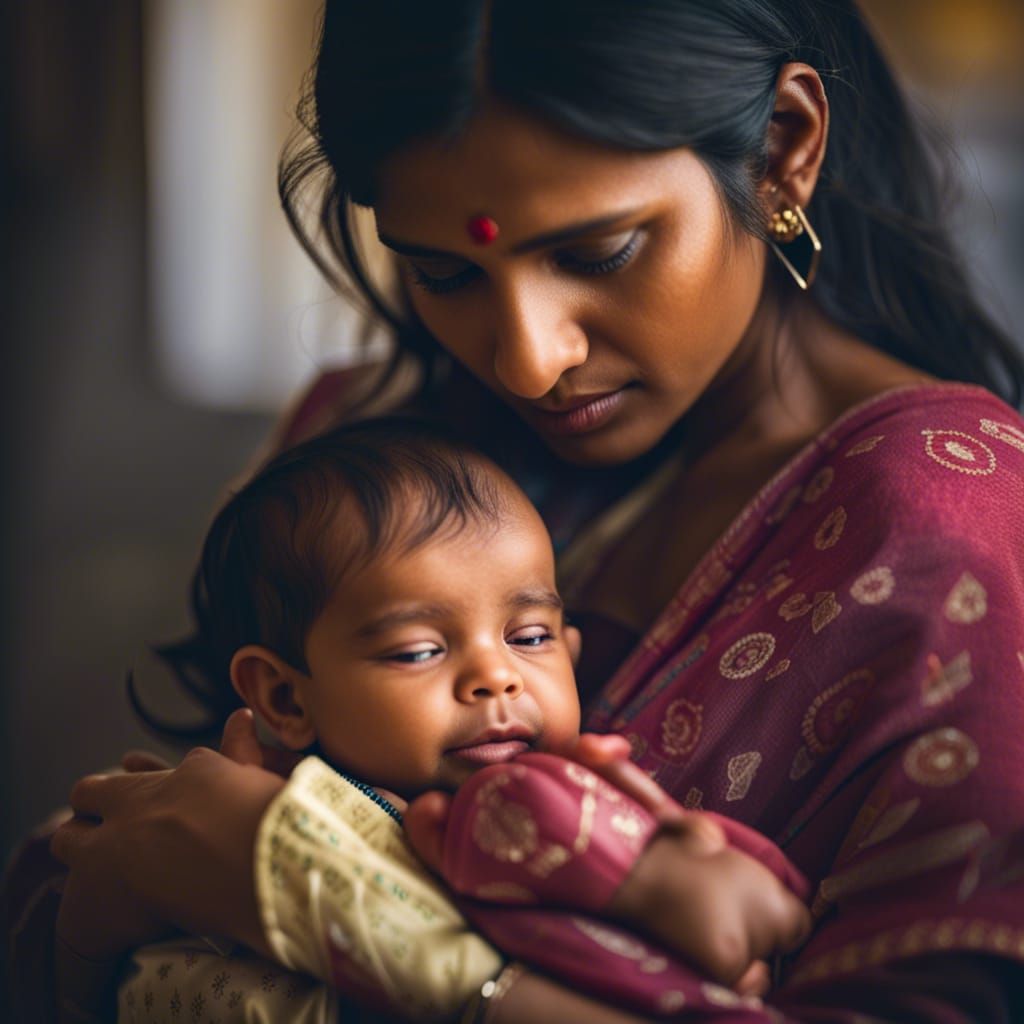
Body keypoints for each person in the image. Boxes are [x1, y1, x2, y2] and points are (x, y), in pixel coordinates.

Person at [21, 0, 1024, 1020]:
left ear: (781, 149)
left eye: (598, 254)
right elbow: (135, 844)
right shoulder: (373, 453)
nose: (526, 360)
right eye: (444, 271)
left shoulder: (949, 530)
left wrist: (321, 901)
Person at [114, 415, 808, 1022]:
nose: (496, 676)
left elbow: (741, 909)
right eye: (418, 651)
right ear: (286, 699)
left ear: (571, 653)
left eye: (530, 637)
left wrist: (705, 888)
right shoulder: (267, 819)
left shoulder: (591, 796)